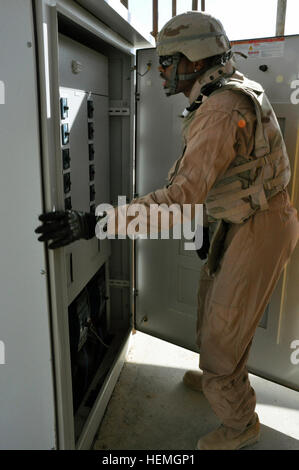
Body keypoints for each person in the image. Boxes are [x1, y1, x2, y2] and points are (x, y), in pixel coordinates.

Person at [35, 12, 299, 450]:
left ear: (194, 60)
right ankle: (223, 376)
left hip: (259, 226)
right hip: (240, 218)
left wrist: (93, 222)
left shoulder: (219, 108)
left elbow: (179, 199)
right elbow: (225, 176)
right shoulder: (223, 92)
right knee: (214, 311)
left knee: (225, 327)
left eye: (167, 61)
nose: (160, 71)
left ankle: (240, 423)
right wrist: (206, 224)